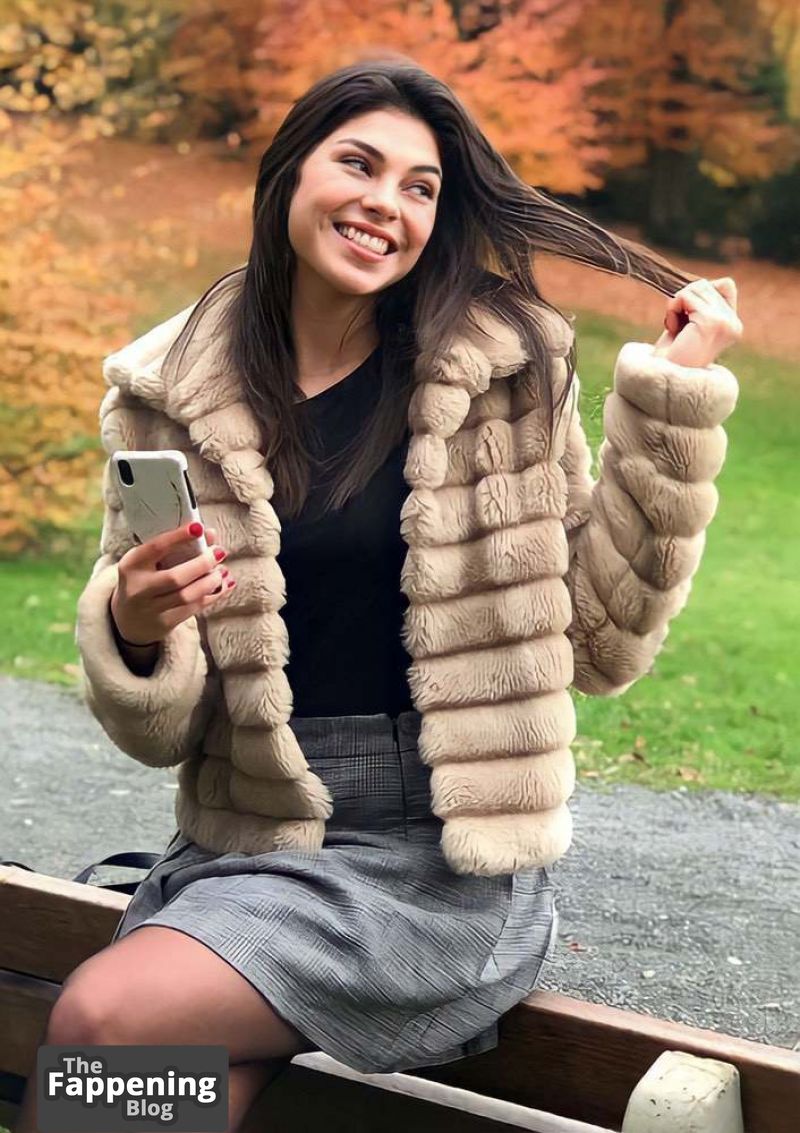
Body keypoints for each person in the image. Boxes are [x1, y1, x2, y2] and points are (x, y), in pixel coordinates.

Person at [13, 54, 742, 1133]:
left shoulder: (503, 372)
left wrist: (671, 401)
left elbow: (597, 640)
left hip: (441, 857)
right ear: (290, 172)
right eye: (357, 164)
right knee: (144, 1105)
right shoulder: (169, 391)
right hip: (253, 842)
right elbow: (159, 732)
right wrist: (134, 626)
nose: (385, 204)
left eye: (419, 187)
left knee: (107, 1022)